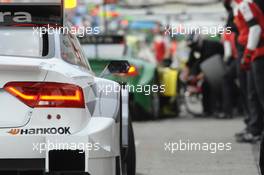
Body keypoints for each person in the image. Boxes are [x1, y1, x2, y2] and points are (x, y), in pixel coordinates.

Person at [230, 0, 264, 144]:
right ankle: (255, 129)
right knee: (253, 94)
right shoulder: (240, 6)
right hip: (255, 52)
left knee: (259, 94)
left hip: (258, 52)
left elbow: (255, 28)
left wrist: (248, 53)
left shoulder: (244, 5)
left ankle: (255, 129)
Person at [183, 34, 224, 116]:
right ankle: (207, 110)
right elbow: (189, 64)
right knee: (204, 86)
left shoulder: (210, 47)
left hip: (220, 66)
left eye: (193, 45)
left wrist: (197, 78)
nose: (192, 47)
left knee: (209, 86)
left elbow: (211, 66)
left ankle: (217, 109)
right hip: (208, 67)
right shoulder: (194, 48)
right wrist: (185, 76)